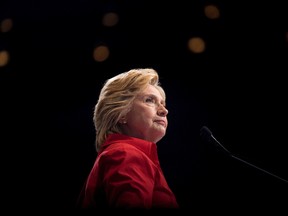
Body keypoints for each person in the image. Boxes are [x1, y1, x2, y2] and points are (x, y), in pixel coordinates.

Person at [76, 68, 179, 209]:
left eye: (163, 103)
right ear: (121, 114)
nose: (164, 110)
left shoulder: (123, 154)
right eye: (150, 100)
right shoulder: (125, 154)